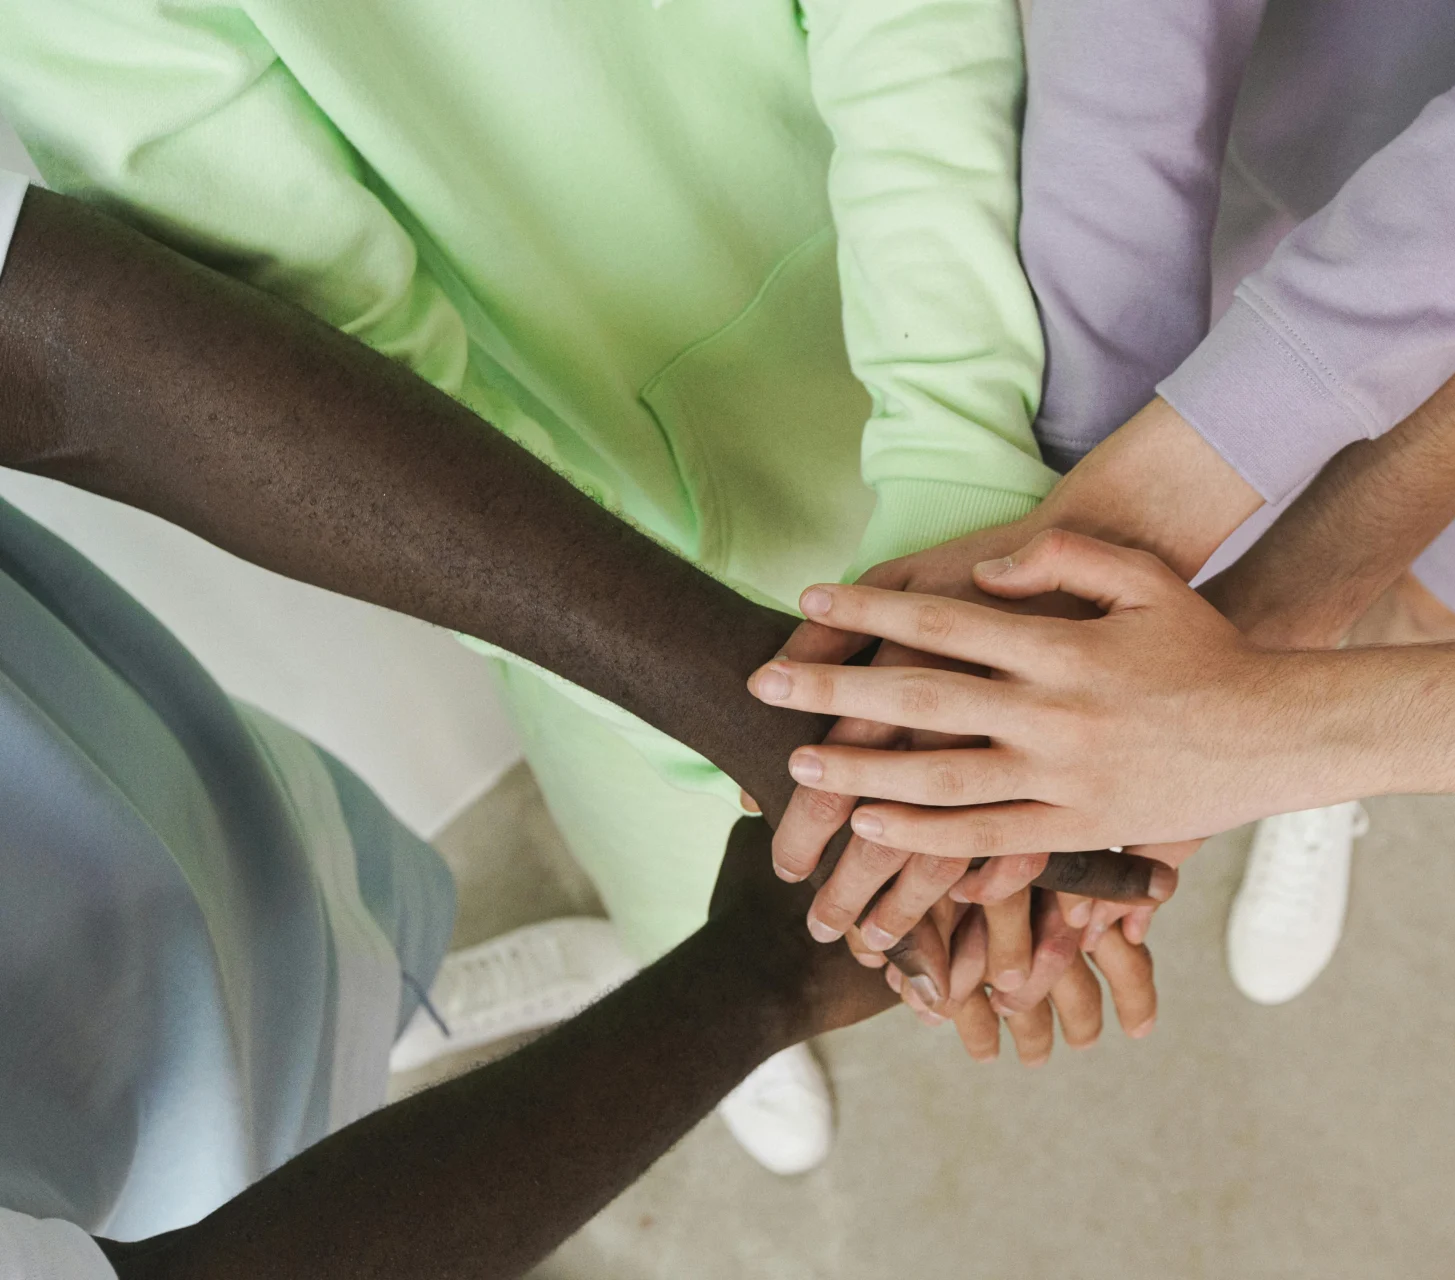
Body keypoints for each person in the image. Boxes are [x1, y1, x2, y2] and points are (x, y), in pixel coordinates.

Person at [745, 2, 1455, 1273]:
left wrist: (1274, 719)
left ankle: (1330, 778)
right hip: (1374, 100)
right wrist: (1160, 559)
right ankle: (1303, 729)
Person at [0, 0, 1087, 1169]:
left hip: (985, 328)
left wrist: (960, 474)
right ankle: (725, 1013)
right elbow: (331, 356)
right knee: (688, 876)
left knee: (1088, 741)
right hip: (581, 580)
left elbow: (910, 23)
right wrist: (763, 724)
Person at [0, 172, 908, 1277]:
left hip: (82, 813)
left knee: (292, 935)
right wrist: (752, 986)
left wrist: (759, 692)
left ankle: (381, 1014)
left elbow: (50, 355)